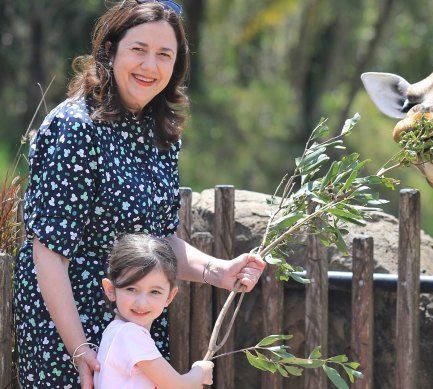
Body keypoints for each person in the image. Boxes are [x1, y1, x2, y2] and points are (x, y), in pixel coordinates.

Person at [13, 1, 266, 388]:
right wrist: (80, 350)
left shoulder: (160, 134)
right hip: (68, 331)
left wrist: (220, 271)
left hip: (134, 321)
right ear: (110, 51)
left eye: (164, 54)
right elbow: (48, 252)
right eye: (138, 50)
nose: (150, 66)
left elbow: (159, 242)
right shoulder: (74, 128)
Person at [94, 234, 214, 389]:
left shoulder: (114, 331)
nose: (142, 302)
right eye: (131, 289)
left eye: (155, 292)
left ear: (169, 297)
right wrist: (200, 372)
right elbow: (178, 386)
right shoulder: (130, 334)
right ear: (110, 290)